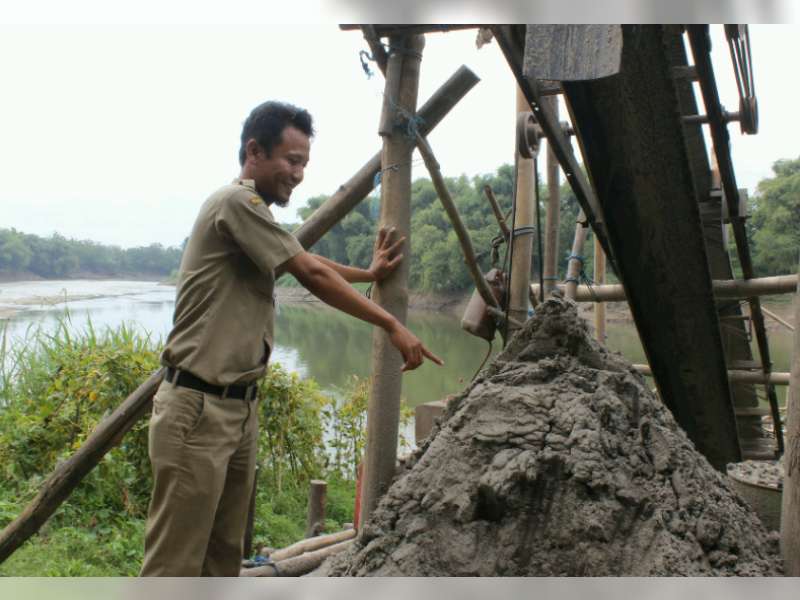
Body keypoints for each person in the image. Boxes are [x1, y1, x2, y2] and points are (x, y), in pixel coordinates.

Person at [139, 101, 442, 576]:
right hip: (198, 411)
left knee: (221, 560)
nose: (298, 174)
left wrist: (368, 272)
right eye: (291, 160)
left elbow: (298, 259)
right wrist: (390, 322)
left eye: (304, 163)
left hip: (237, 409)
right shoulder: (236, 202)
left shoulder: (254, 217)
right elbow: (311, 272)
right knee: (174, 566)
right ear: (254, 151)